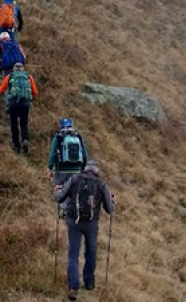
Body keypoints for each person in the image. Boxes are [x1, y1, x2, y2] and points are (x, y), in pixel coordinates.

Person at [54, 161, 115, 300]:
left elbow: (59, 197)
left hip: (73, 222)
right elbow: (109, 209)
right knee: (91, 252)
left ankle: (73, 288)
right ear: (96, 171)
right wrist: (112, 202)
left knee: (73, 253)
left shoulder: (74, 179)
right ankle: (89, 282)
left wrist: (57, 190)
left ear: (85, 169)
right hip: (91, 224)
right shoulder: (102, 184)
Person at [47, 118, 89, 213]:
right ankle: (76, 209)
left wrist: (49, 168)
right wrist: (83, 168)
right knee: (75, 188)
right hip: (77, 169)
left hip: (61, 170)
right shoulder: (78, 136)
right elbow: (85, 155)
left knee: (60, 188)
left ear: (61, 126)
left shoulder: (58, 137)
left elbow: (52, 154)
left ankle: (63, 210)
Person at [0, 62, 38, 153]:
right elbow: (35, 92)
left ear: (13, 68)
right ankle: (25, 139)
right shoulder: (29, 77)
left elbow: (1, 90)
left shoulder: (9, 76)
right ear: (23, 68)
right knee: (24, 123)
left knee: (14, 124)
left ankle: (16, 145)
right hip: (25, 104)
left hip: (13, 103)